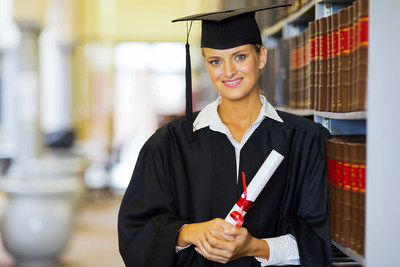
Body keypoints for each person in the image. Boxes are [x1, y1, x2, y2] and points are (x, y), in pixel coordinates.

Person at [118, 4, 332, 267]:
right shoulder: (169, 142)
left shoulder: (305, 140)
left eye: (240, 56)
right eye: (215, 61)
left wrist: (256, 247)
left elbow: (320, 239)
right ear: (205, 64)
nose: (228, 71)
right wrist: (188, 232)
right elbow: (135, 231)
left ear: (262, 57)